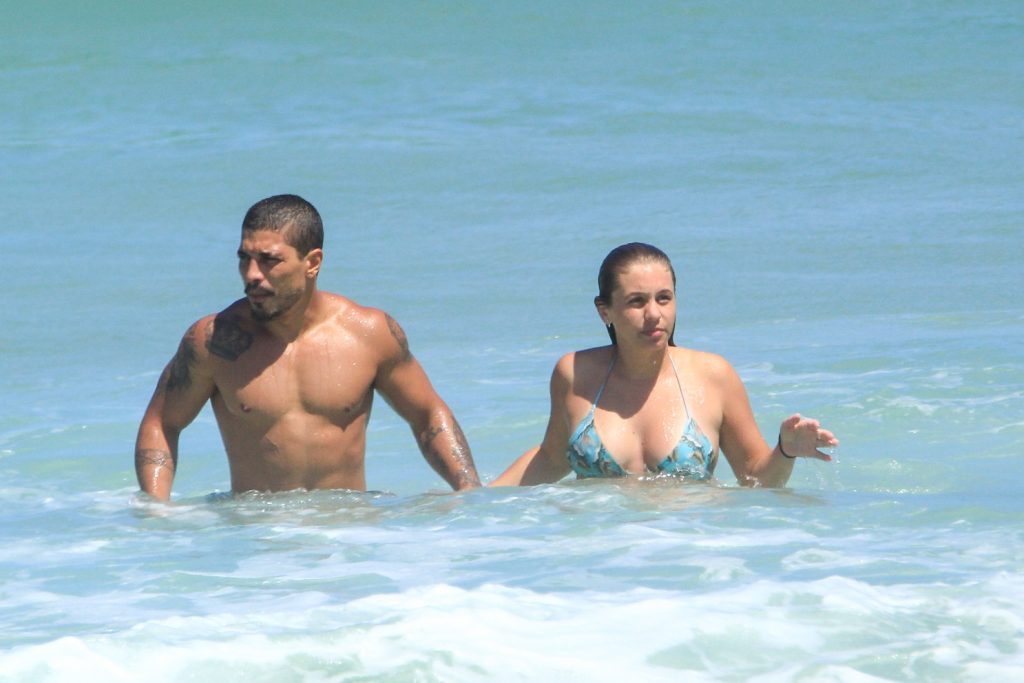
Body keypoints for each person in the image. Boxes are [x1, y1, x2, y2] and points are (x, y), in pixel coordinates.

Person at [135, 194, 480, 500]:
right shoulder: (213, 341)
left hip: (349, 530)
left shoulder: (369, 334)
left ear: (312, 262)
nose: (252, 274)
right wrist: (156, 512)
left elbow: (427, 415)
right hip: (257, 534)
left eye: (269, 260)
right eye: (244, 258)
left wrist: (468, 491)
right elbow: (162, 423)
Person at [491, 242, 838, 488]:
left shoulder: (713, 376)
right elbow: (552, 458)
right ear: (604, 311)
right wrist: (477, 500)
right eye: (636, 301)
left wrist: (785, 451)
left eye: (664, 298)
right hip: (600, 553)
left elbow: (756, 478)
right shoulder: (575, 373)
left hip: (687, 552)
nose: (654, 314)